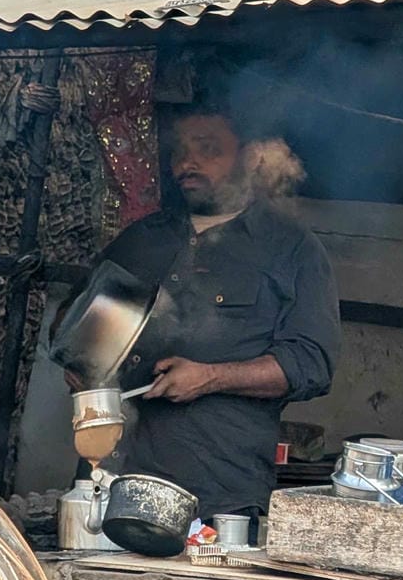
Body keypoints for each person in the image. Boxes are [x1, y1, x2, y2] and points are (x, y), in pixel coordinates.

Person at [79, 105, 340, 521]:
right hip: (114, 485)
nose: (187, 163)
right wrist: (82, 369)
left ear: (252, 156)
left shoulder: (291, 249)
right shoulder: (140, 242)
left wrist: (209, 378)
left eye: (207, 149)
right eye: (179, 151)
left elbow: (311, 364)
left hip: (220, 494)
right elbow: (84, 343)